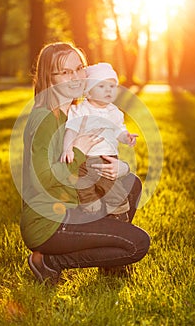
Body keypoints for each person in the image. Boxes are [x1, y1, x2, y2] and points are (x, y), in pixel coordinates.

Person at [20, 42, 150, 284]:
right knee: (138, 244)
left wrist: (121, 167)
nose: (77, 76)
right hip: (49, 221)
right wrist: (78, 150)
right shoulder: (44, 119)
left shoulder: (74, 112)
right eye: (66, 72)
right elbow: (42, 181)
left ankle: (110, 262)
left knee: (130, 183)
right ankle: (49, 262)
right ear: (49, 78)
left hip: (73, 203)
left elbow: (95, 161)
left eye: (79, 68)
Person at [60, 62, 138, 221]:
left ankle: (118, 212)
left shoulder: (114, 112)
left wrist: (126, 137)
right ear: (88, 92)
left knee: (111, 187)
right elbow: (72, 129)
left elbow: (118, 130)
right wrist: (67, 148)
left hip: (107, 158)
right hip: (85, 158)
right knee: (83, 182)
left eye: (112, 86)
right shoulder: (82, 110)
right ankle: (89, 203)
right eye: (101, 86)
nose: (108, 90)